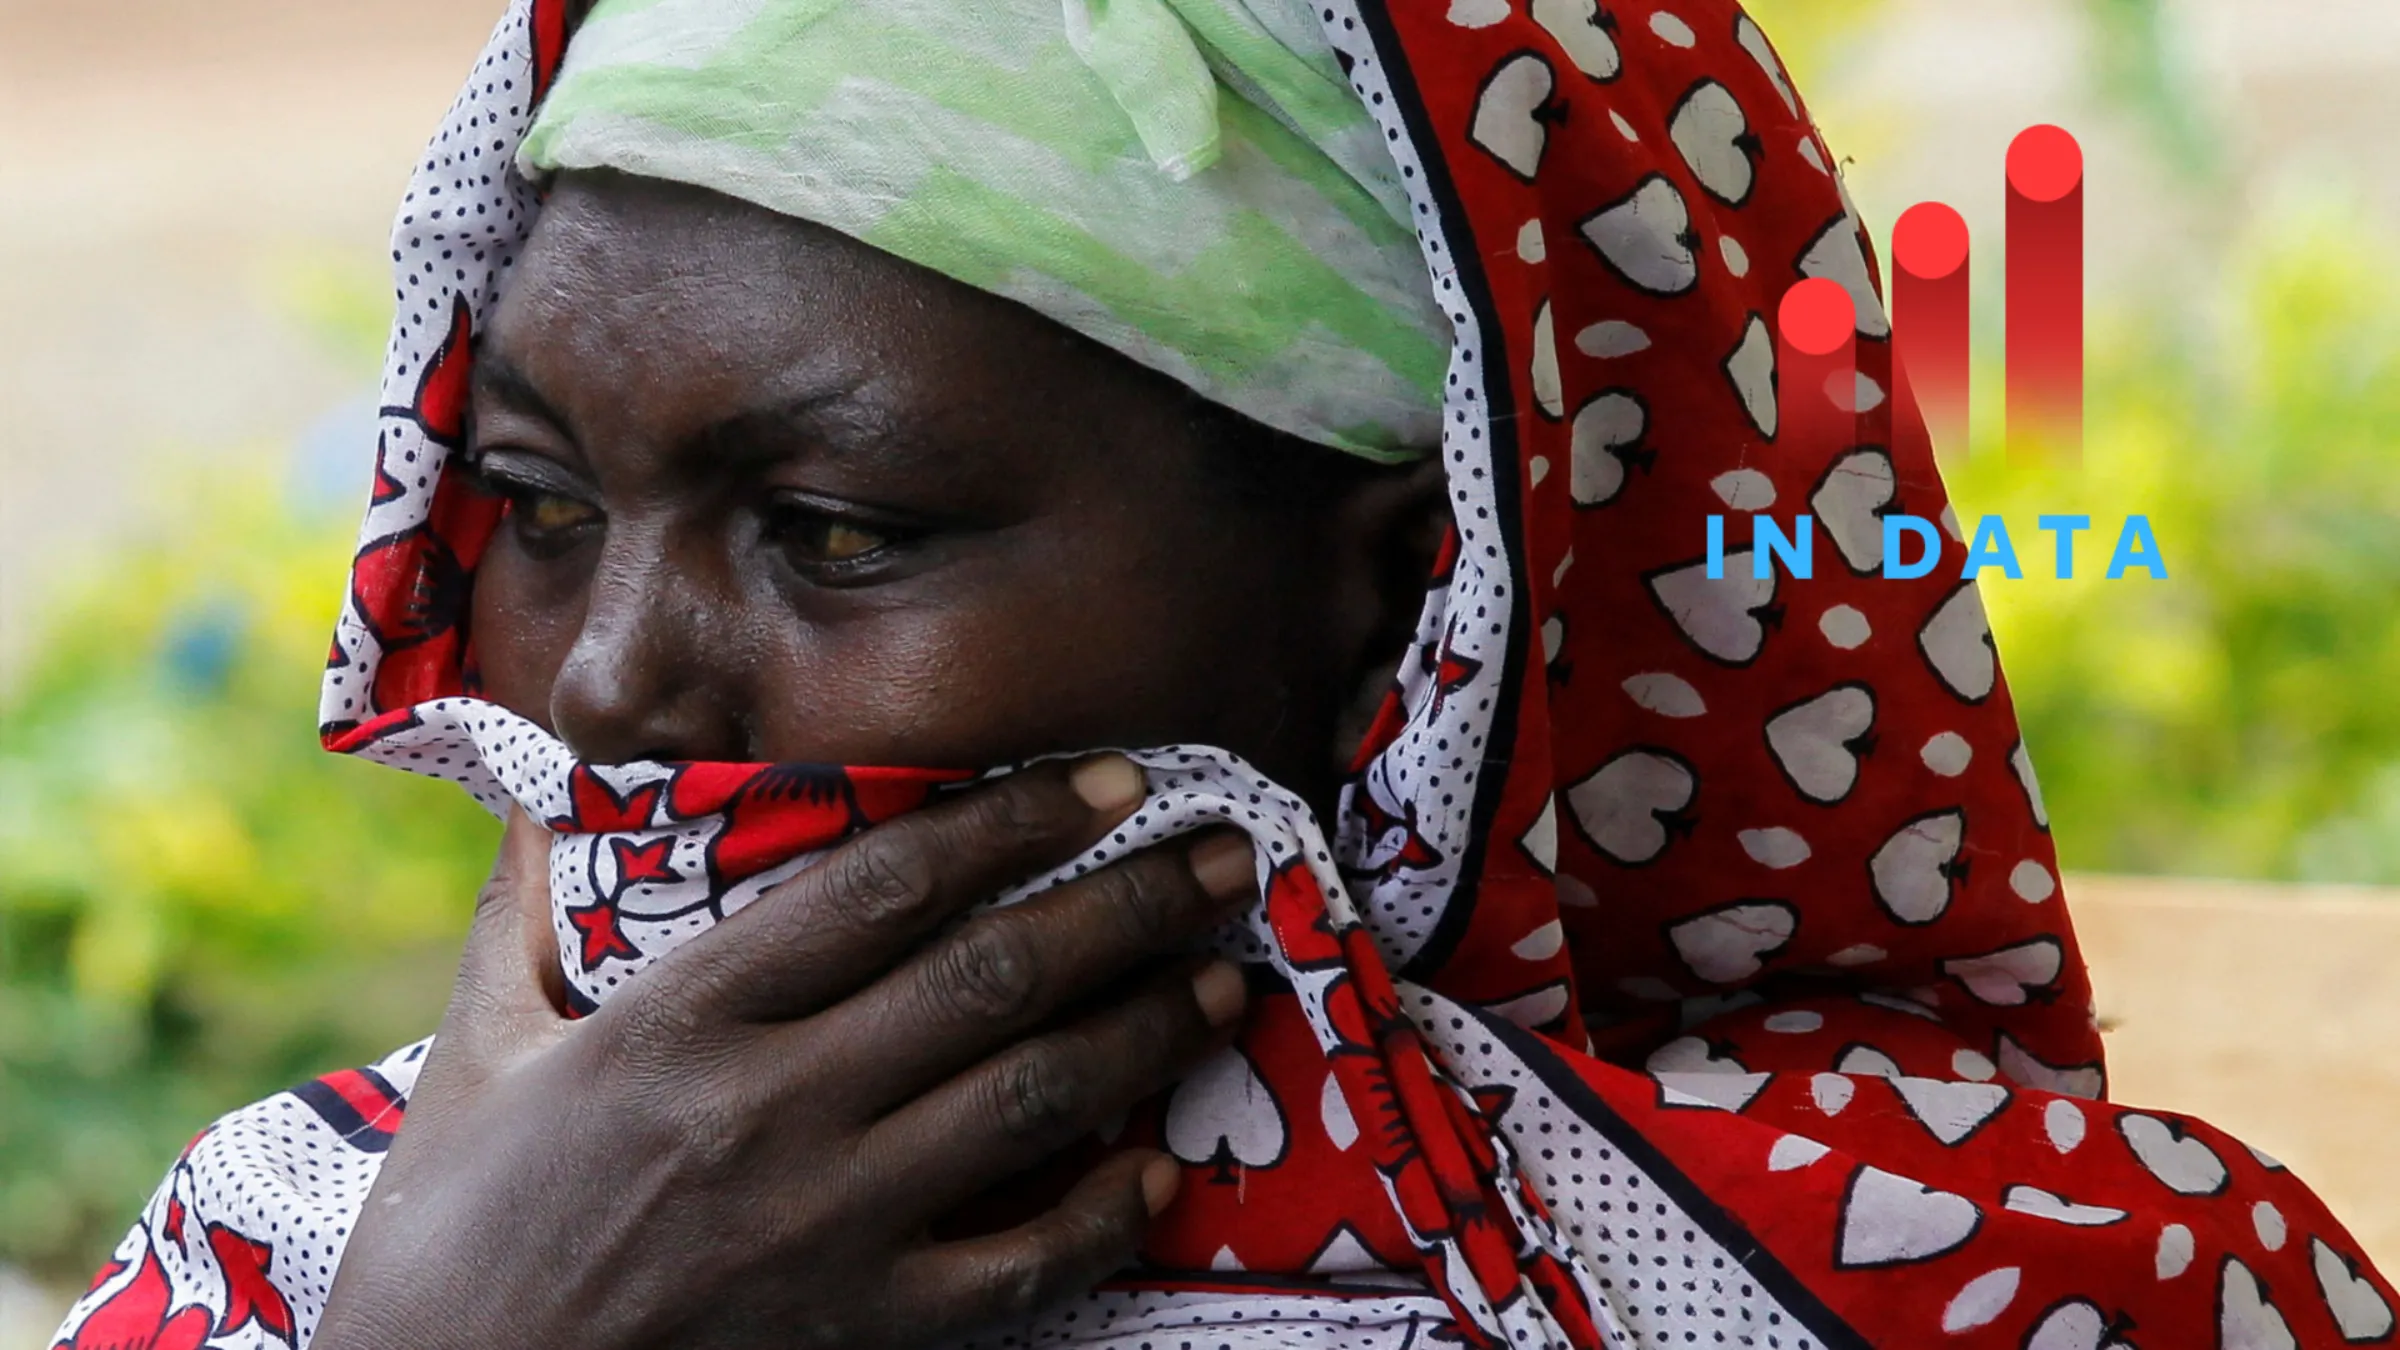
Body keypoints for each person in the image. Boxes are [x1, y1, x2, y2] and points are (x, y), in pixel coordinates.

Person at [54, 0, 2397, 1346]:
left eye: (838, 531)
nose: (610, 691)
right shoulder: (303, 1255)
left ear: (1412, 586)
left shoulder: (2040, 1298)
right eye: (543, 510)